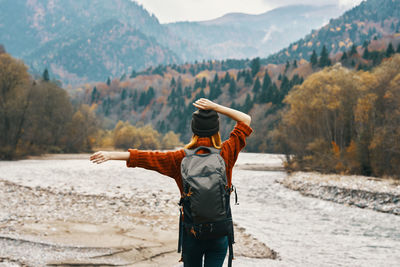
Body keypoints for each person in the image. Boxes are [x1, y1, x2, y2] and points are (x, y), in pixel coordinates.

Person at [90, 98, 252, 267]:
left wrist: (110, 155)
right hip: (219, 233)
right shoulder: (226, 153)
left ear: (193, 131)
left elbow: (146, 157)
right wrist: (216, 107)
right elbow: (245, 120)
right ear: (216, 131)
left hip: (192, 234)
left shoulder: (179, 158)